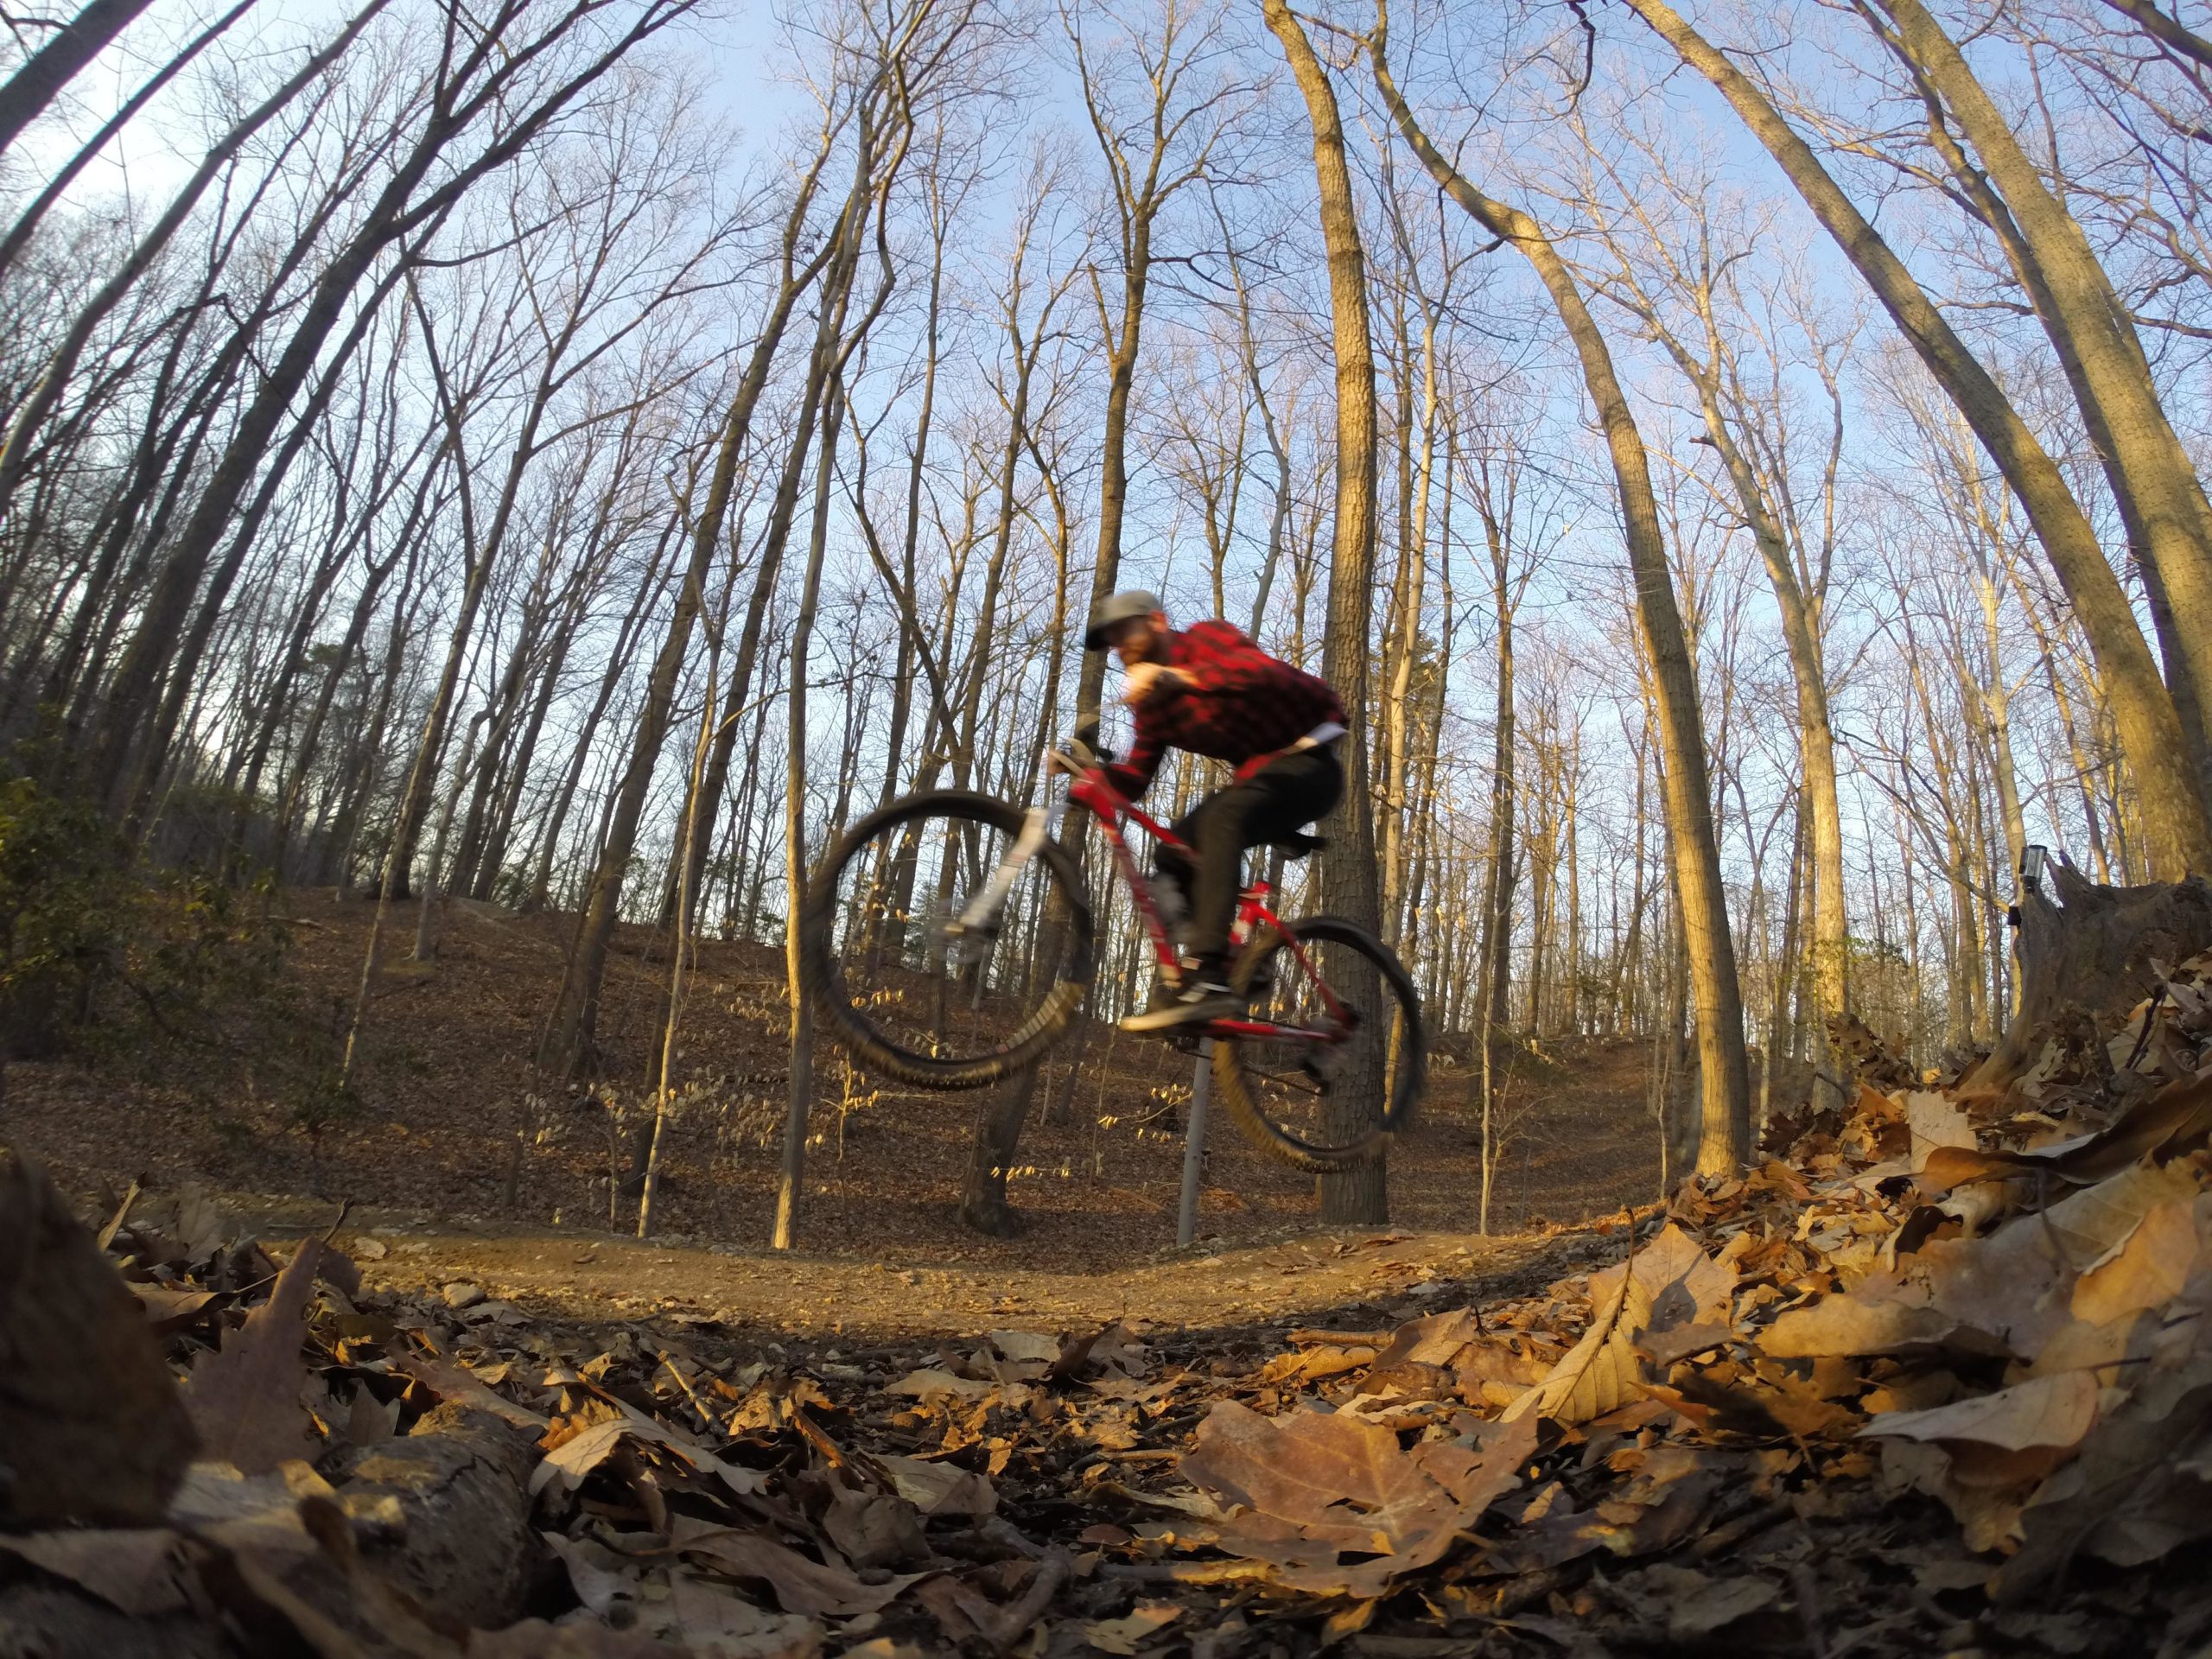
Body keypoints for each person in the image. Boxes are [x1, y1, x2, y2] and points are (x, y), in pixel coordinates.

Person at [1082, 589, 1347, 1032]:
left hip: (1312, 763)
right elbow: (1137, 778)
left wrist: (1177, 677)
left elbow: (1258, 675)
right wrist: (1089, 774)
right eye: (1110, 641)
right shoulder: (1154, 708)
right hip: (1260, 779)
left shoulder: (1207, 639)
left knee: (1222, 820)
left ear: (1158, 622)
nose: (1118, 647)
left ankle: (1211, 974)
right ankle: (1221, 969)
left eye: (1123, 631)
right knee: (1174, 849)